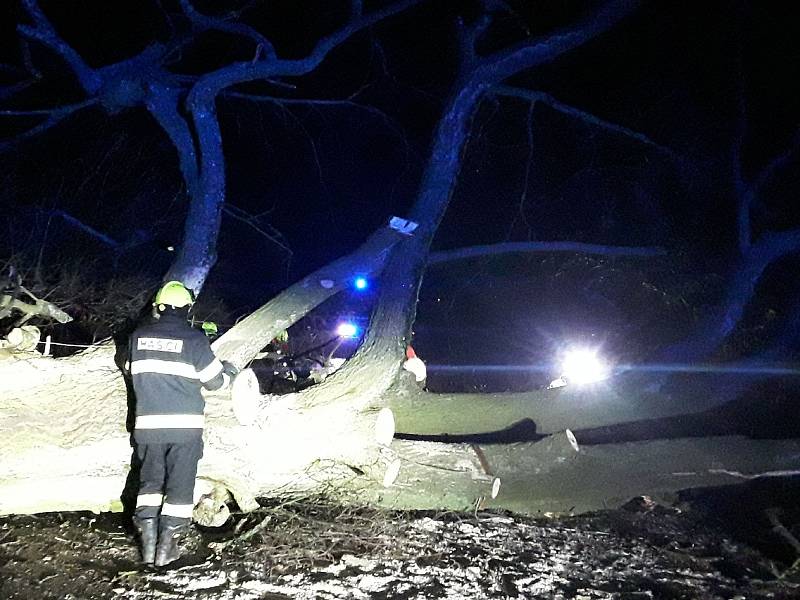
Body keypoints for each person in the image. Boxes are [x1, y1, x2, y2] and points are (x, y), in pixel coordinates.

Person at [129, 281, 236, 567]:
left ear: (159, 307)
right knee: (179, 485)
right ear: (188, 309)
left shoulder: (138, 337)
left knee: (150, 482)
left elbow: (129, 368)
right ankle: (167, 549)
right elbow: (216, 382)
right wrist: (230, 371)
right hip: (184, 428)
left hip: (147, 427)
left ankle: (148, 545)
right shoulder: (194, 341)